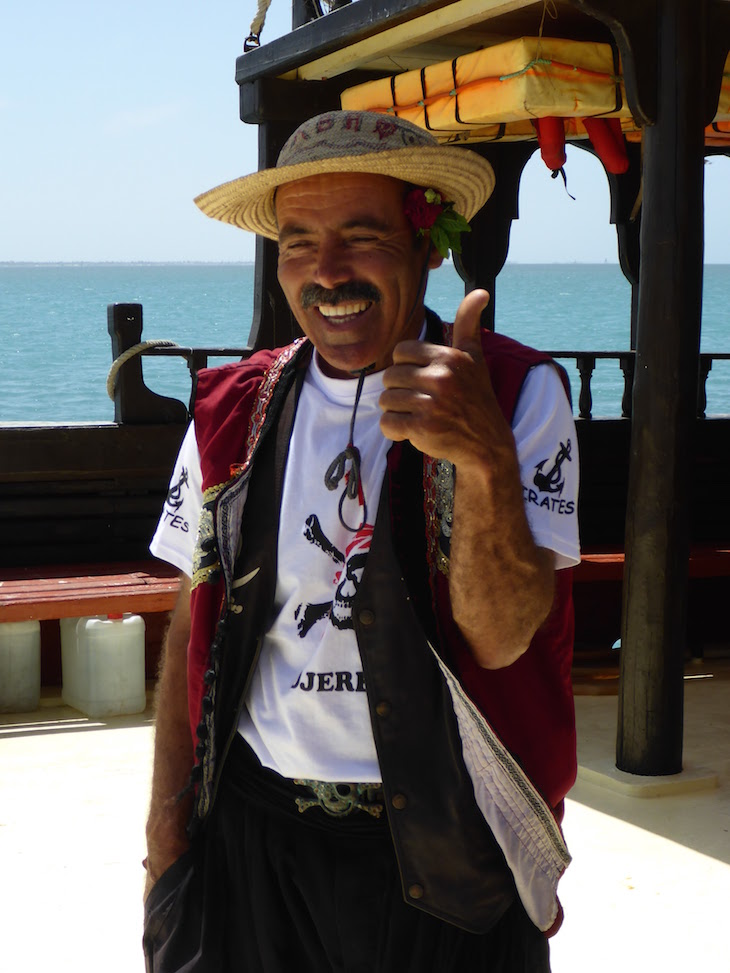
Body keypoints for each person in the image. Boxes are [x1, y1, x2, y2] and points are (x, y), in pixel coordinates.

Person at [143, 110, 580, 973]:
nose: (327, 272)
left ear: (428, 245)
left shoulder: (517, 392)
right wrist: (166, 822)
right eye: (299, 242)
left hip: (450, 847)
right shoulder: (230, 410)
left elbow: (502, 636)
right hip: (253, 833)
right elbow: (192, 626)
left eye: (361, 235)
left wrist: (485, 457)